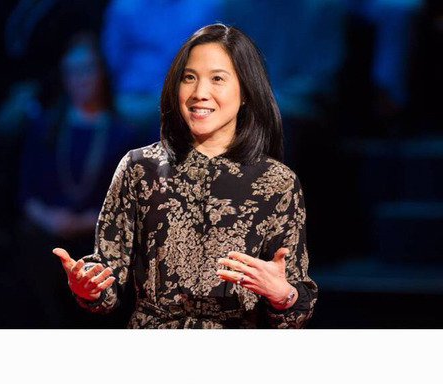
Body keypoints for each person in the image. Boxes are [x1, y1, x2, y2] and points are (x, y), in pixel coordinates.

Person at [54, 24, 318, 329]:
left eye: (217, 79)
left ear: (246, 91)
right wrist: (90, 287)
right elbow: (108, 276)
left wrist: (283, 295)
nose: (199, 93)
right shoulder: (140, 168)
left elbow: (295, 305)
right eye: (189, 78)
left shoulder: (277, 181)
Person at [18, 32, 135, 327]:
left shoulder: (123, 134)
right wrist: (50, 219)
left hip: (97, 237)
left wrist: (85, 221)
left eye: (87, 69)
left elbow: (130, 205)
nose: (81, 79)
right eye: (73, 71)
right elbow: (26, 192)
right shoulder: (46, 128)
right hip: (47, 234)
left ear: (102, 73)